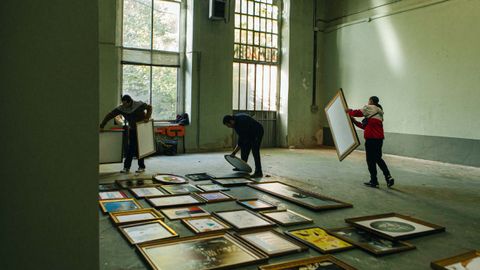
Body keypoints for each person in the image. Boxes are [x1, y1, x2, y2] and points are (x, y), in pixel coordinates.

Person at [347, 96, 395, 188]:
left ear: (371, 101)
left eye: (369, 100)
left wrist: (349, 111)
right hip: (379, 139)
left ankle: (374, 180)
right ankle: (388, 177)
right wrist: (354, 122)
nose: (368, 102)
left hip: (371, 139)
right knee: (378, 158)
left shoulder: (370, 107)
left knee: (370, 160)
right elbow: (364, 127)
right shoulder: (379, 114)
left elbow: (357, 112)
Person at [100, 95, 152, 173]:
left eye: (125, 104)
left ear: (130, 101)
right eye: (122, 103)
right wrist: (102, 125)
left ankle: (141, 167)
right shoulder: (121, 108)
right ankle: (126, 168)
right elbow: (110, 115)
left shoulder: (139, 105)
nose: (124, 106)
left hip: (142, 128)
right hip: (132, 129)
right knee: (131, 148)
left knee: (141, 148)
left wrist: (147, 117)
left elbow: (149, 107)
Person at [223, 113, 264, 178]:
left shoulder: (241, 123)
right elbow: (242, 139)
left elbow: (240, 141)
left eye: (228, 125)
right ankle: (242, 167)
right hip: (249, 133)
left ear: (231, 121)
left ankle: (259, 172)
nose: (228, 127)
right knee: (244, 148)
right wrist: (234, 153)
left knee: (255, 151)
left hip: (257, 132)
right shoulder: (235, 124)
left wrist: (234, 153)